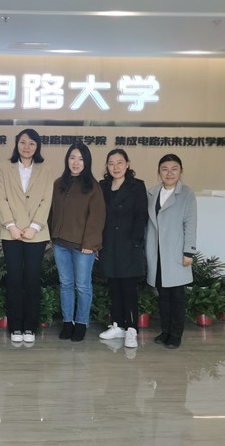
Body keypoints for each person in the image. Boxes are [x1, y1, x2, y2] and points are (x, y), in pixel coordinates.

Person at [0, 129, 52, 345]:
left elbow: (46, 200)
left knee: (32, 279)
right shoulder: (5, 167)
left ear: (37, 146)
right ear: (17, 144)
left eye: (31, 143)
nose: (26, 147)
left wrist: (34, 227)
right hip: (11, 233)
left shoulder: (46, 168)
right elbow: (1, 198)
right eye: (23, 142)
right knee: (14, 279)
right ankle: (15, 326)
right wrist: (11, 226)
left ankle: (30, 326)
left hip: (36, 234)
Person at [49, 142, 105, 342]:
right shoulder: (58, 183)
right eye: (72, 157)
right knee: (65, 284)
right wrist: (51, 236)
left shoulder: (93, 186)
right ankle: (67, 322)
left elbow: (97, 218)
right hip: (60, 244)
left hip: (83, 247)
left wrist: (91, 244)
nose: (76, 162)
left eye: (81, 159)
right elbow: (52, 211)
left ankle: (81, 323)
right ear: (67, 160)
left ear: (86, 162)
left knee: (82, 286)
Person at [97, 149, 148, 349]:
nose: (115, 167)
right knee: (114, 287)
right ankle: (117, 325)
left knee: (129, 289)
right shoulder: (102, 186)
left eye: (119, 162)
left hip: (129, 245)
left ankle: (132, 329)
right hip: (109, 244)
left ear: (127, 164)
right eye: (111, 163)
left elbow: (141, 216)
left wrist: (135, 241)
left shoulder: (137, 186)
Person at [146, 153, 197, 350]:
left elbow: (190, 223)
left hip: (175, 252)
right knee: (163, 295)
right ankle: (165, 331)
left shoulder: (186, 194)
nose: (169, 173)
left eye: (174, 169)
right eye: (165, 169)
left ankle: (175, 334)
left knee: (177, 296)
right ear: (159, 172)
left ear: (181, 171)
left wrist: (188, 252)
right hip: (156, 252)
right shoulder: (152, 192)